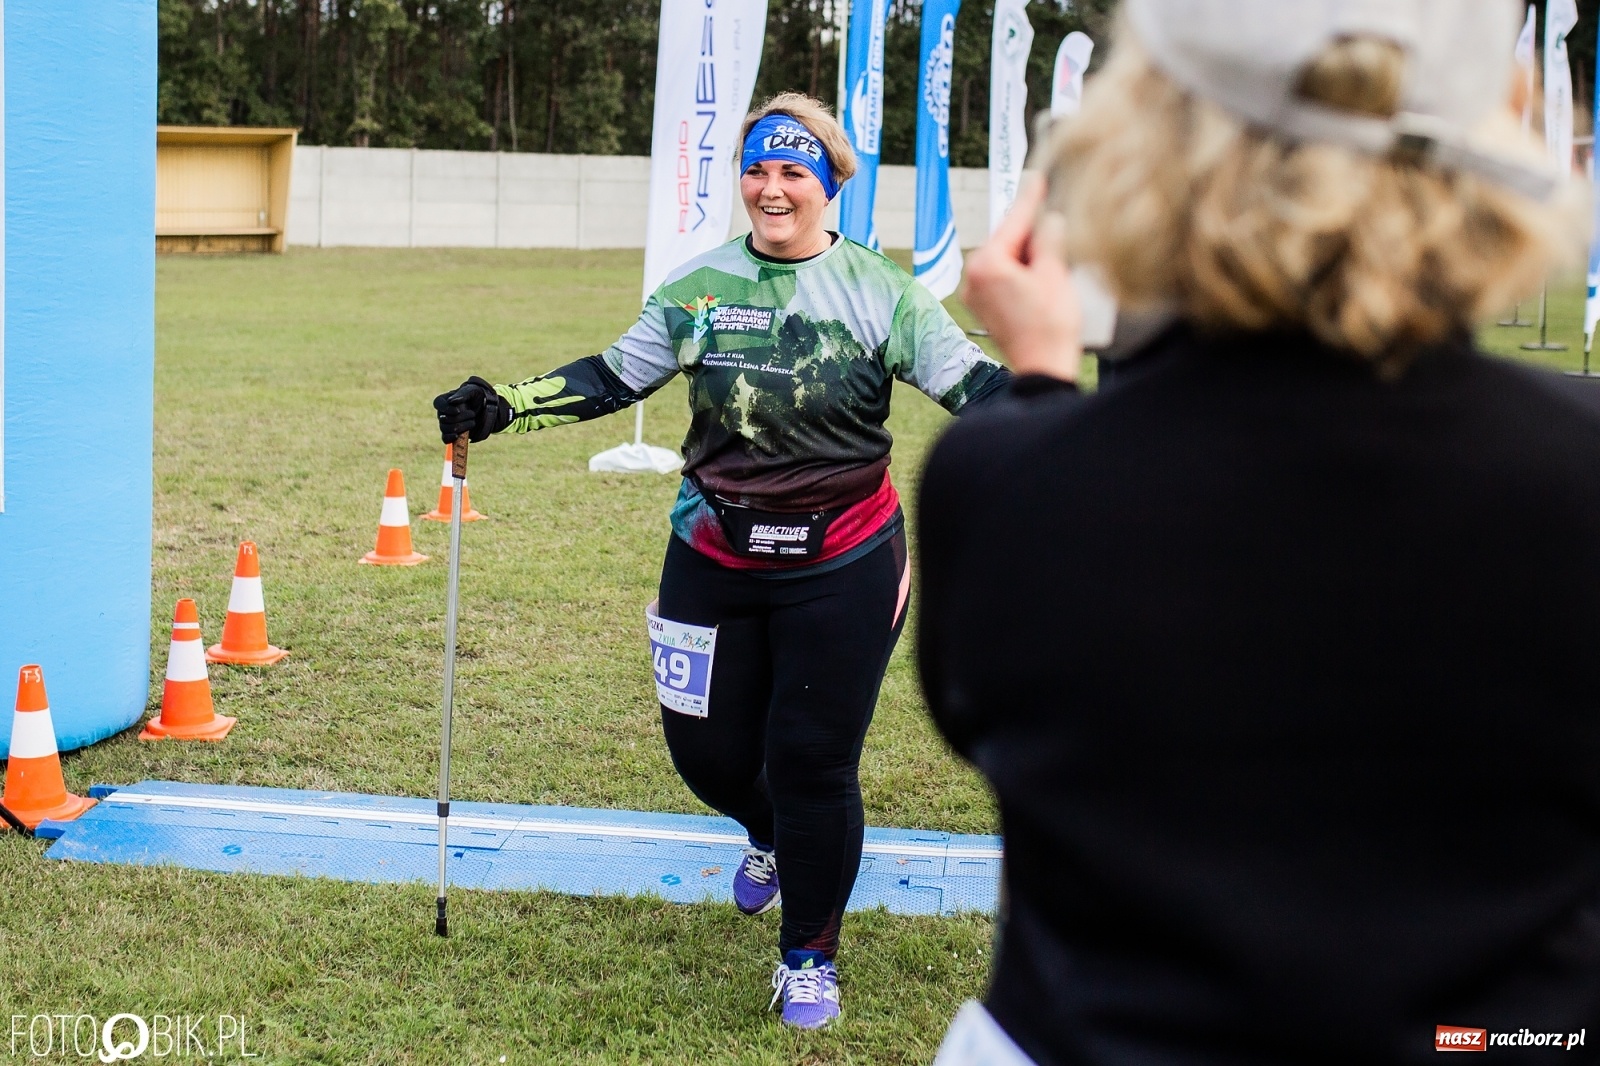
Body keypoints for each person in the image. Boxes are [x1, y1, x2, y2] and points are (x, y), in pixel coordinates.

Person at [919, 2, 1600, 1063]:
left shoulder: (1006, 477)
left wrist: (1042, 383)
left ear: (1143, 138)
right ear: (1495, 130)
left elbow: (998, 707)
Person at [434, 92, 1011, 1029]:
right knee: (705, 753)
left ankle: (809, 956)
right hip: (710, 552)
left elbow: (977, 388)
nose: (771, 188)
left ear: (829, 186)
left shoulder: (885, 294)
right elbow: (612, 376)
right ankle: (768, 834)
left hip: (846, 559)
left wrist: (1088, 432)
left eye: (793, 172)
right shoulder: (698, 289)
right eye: (757, 169)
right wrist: (505, 403)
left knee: (813, 761)